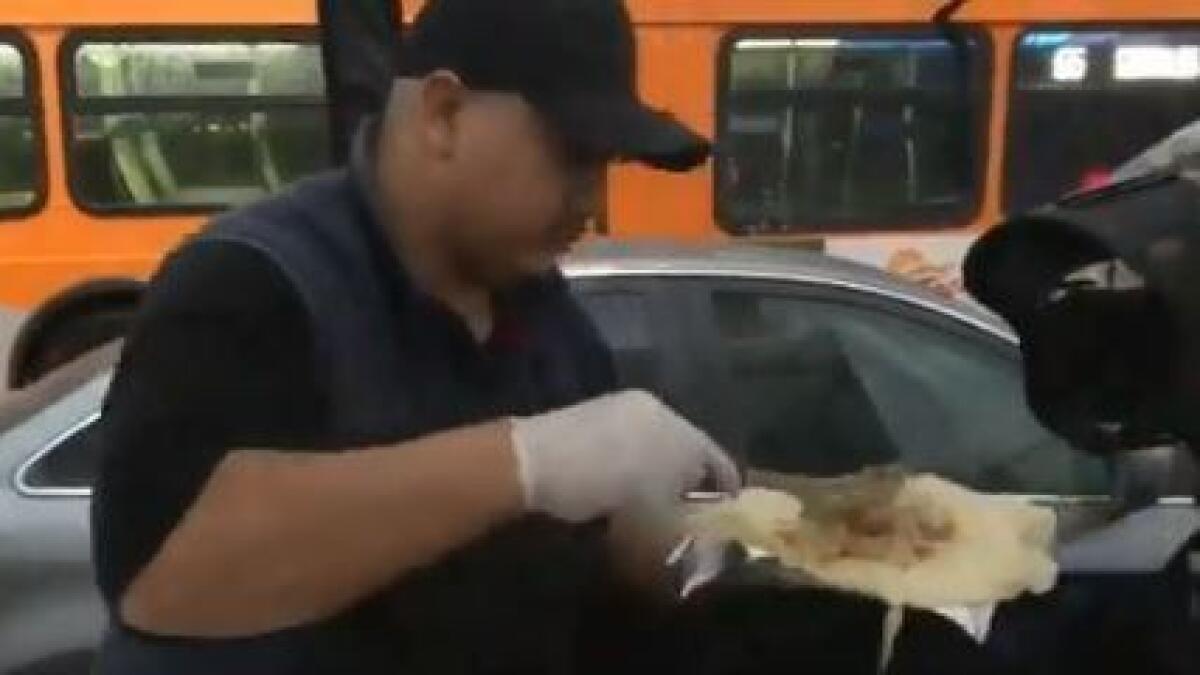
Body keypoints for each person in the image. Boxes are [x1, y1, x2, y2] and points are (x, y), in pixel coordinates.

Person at [90, 1, 739, 673]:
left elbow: (577, 554)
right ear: (443, 114)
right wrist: (525, 461)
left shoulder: (547, 318)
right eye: (573, 156)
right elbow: (160, 579)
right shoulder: (253, 283)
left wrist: (672, 540)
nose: (592, 202)